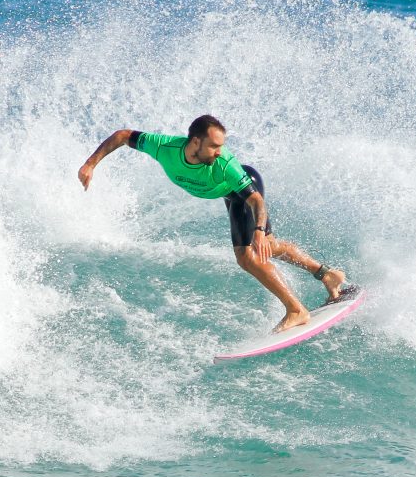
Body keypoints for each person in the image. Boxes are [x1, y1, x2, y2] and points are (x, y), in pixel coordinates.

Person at [77, 115, 345, 332]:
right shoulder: (164, 147)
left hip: (244, 191)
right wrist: (90, 164)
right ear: (195, 142)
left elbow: (255, 200)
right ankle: (328, 275)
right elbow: (124, 136)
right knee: (268, 247)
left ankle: (296, 310)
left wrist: (260, 231)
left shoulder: (226, 164)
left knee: (248, 257)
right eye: (214, 146)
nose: (220, 151)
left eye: (221, 146)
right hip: (228, 194)